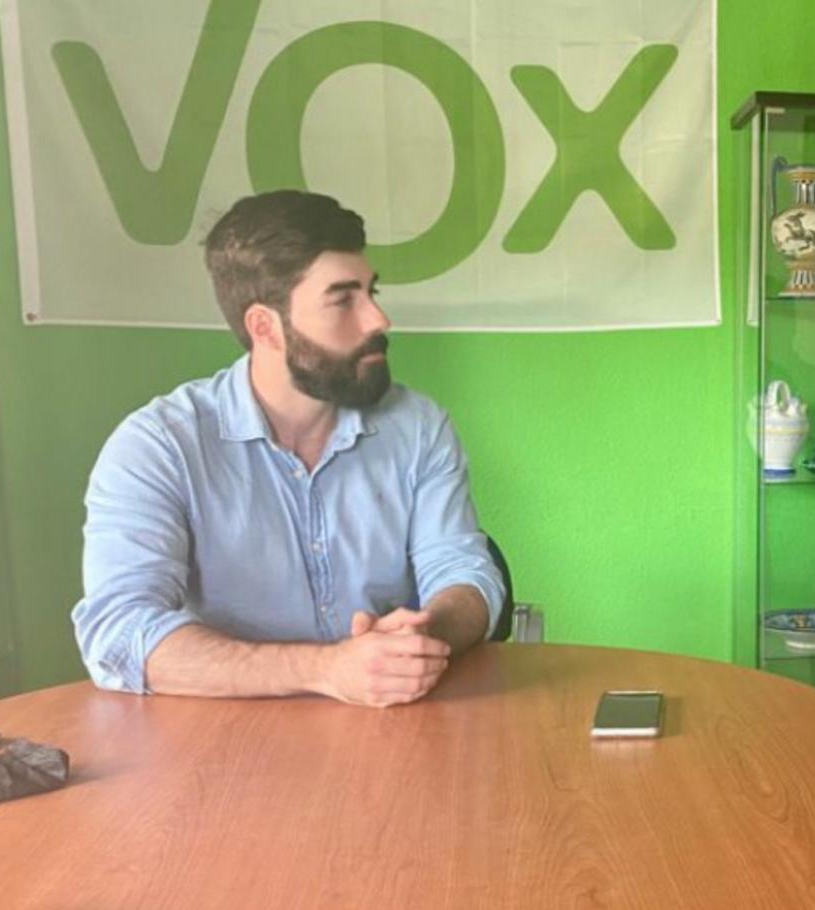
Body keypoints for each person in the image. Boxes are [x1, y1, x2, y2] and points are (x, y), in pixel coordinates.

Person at [73, 191, 504, 708]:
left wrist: (420, 636)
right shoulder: (160, 447)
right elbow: (118, 631)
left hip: (387, 725)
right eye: (343, 300)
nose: (378, 320)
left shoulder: (417, 427)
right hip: (220, 740)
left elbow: (464, 572)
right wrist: (326, 669)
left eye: (371, 292)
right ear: (264, 327)